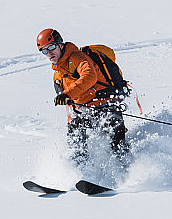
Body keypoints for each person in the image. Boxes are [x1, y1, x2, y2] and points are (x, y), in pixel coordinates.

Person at [36, 28, 129, 167]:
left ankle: (126, 172)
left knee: (115, 139)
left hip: (106, 105)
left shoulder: (78, 58)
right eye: (44, 51)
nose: (49, 53)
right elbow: (70, 105)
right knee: (75, 132)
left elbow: (90, 77)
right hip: (85, 112)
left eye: (52, 47)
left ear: (60, 44)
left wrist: (67, 94)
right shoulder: (58, 75)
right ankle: (81, 172)